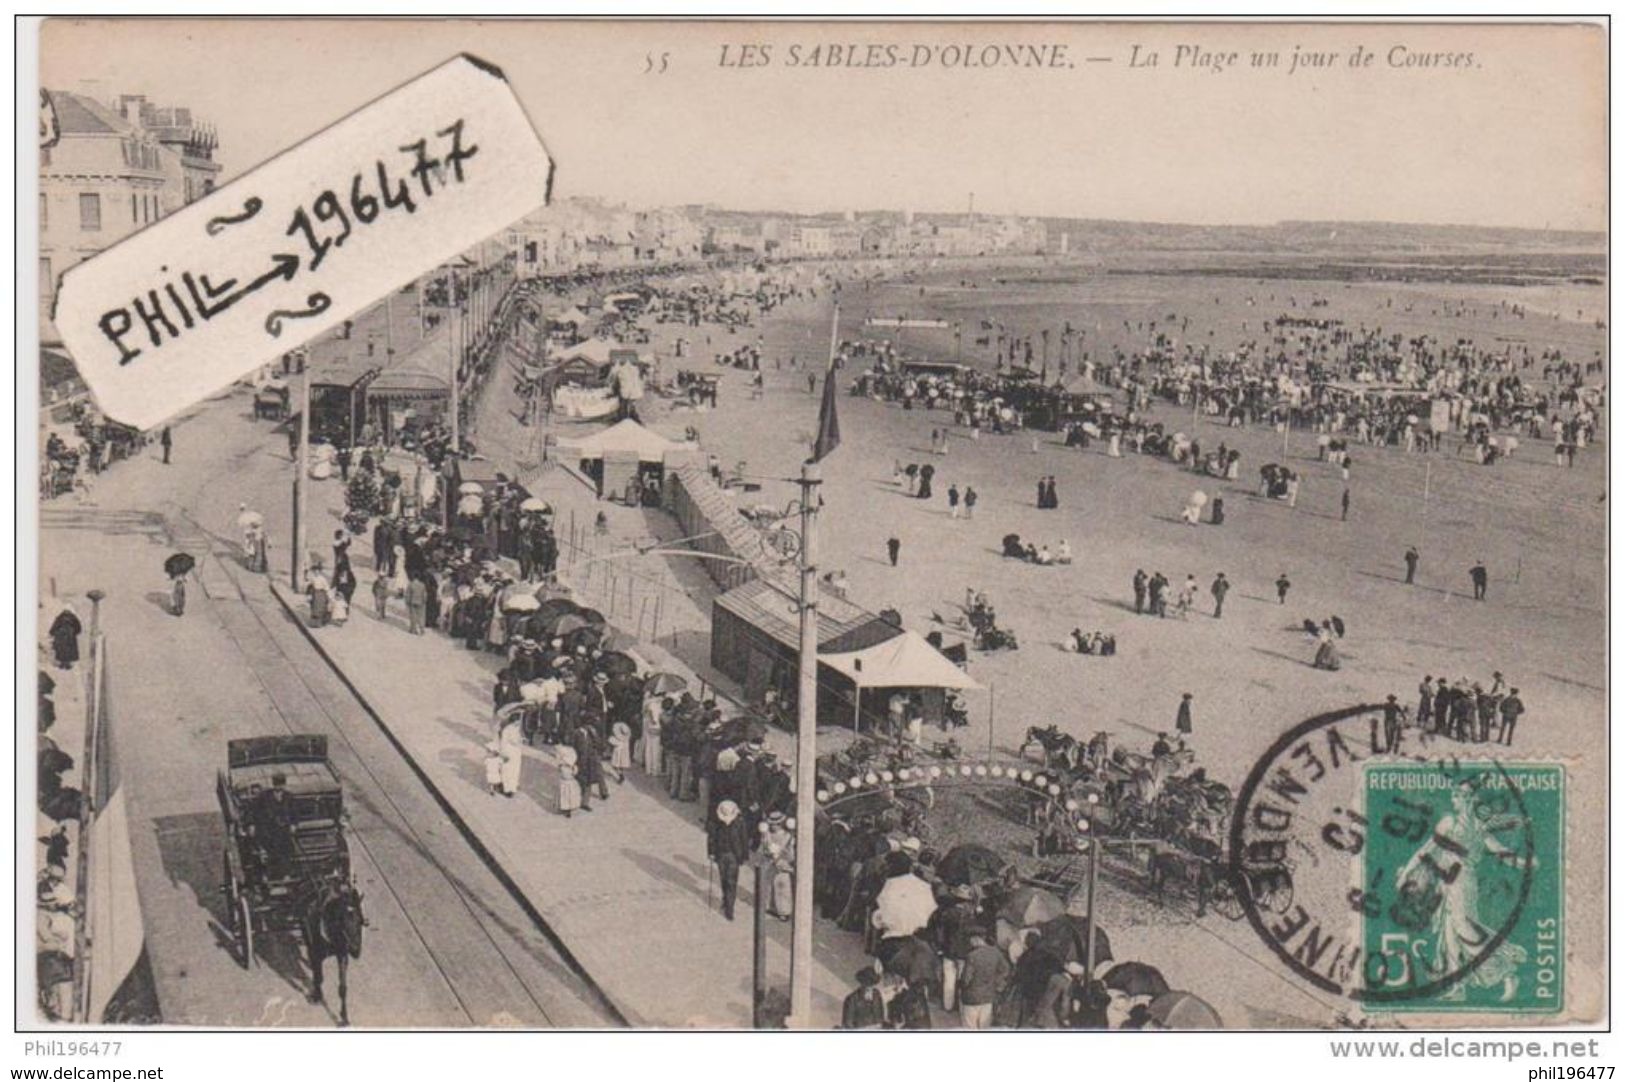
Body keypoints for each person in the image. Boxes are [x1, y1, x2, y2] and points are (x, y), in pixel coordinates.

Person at [958, 930, 1012, 1029]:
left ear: (976, 939)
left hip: (971, 998)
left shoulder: (972, 956)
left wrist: (960, 985)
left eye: (971, 940)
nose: (970, 943)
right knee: (985, 1027)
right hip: (988, 996)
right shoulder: (995, 952)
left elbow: (966, 979)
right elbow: (1006, 969)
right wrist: (997, 983)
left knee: (970, 1028)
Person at [708, 799, 752, 921]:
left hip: (734, 856)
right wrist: (711, 852)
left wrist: (744, 855)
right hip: (720, 854)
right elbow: (712, 838)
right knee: (723, 879)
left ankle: (729, 909)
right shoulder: (716, 823)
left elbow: (744, 839)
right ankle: (725, 898)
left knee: (731, 881)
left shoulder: (740, 823)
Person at [48, 605, 82, 670]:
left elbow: (55, 625)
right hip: (70, 637)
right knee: (69, 650)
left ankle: (62, 663)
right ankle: (67, 664)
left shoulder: (60, 617)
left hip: (61, 636)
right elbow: (78, 627)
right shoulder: (73, 617)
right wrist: (75, 633)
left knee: (61, 650)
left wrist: (52, 632)